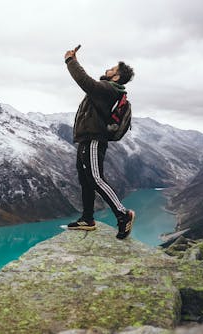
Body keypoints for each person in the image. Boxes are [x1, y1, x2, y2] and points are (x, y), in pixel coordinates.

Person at [64, 46, 136, 239]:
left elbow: (84, 81)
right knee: (85, 179)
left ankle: (123, 215)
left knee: (95, 178)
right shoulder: (108, 89)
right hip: (87, 139)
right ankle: (87, 219)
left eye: (113, 69)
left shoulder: (108, 89)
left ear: (116, 77)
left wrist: (71, 60)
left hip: (94, 139)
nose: (108, 69)